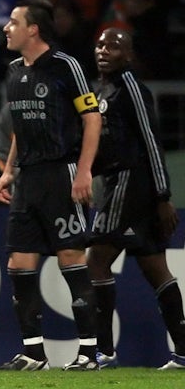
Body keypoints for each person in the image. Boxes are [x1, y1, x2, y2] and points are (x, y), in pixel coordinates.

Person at [0, 0, 102, 371]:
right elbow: (20, 130)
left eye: (12, 21)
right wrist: (9, 171)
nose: (6, 27)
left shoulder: (65, 66)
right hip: (28, 178)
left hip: (61, 173)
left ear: (33, 28)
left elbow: (91, 118)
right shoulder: (12, 71)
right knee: (18, 263)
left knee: (71, 258)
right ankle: (32, 353)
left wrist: (84, 171)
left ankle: (89, 352)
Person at [87, 27, 184, 370]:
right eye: (100, 44)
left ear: (128, 55)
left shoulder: (130, 88)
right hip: (118, 182)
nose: (104, 50)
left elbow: (151, 140)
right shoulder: (99, 89)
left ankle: (103, 353)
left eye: (113, 46)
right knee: (155, 266)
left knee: (96, 260)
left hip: (129, 182)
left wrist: (163, 196)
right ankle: (184, 354)